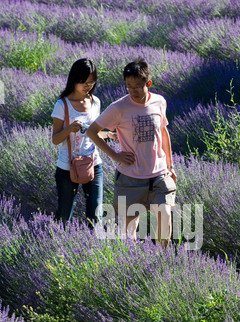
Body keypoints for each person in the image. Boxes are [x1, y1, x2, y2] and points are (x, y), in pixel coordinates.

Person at [86, 58, 176, 247]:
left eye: (137, 86)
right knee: (129, 234)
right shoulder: (119, 107)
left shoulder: (159, 102)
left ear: (148, 84)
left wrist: (170, 165)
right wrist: (115, 155)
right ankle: (134, 265)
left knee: (166, 218)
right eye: (129, 86)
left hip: (159, 175)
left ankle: (163, 263)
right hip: (131, 178)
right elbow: (92, 132)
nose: (133, 91)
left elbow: (164, 132)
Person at [51, 58, 116, 226]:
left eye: (91, 83)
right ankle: (58, 247)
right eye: (84, 83)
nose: (88, 87)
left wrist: (108, 135)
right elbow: (55, 140)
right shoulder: (62, 105)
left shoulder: (96, 102)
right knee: (64, 217)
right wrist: (69, 129)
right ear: (74, 80)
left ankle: (92, 248)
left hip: (93, 164)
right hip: (67, 166)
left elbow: (94, 133)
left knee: (96, 217)